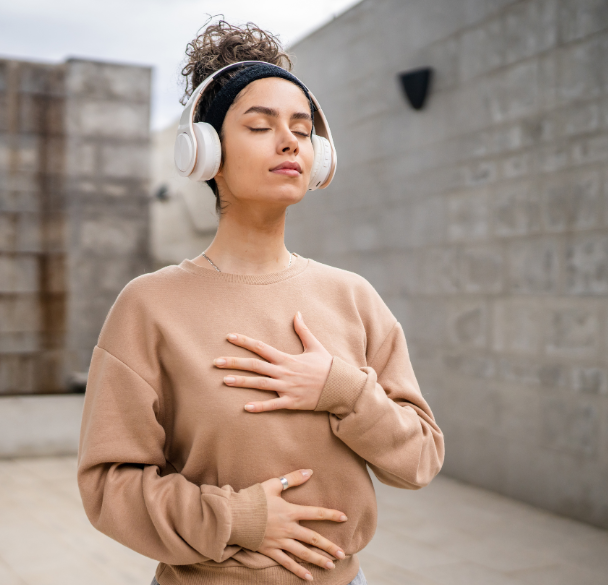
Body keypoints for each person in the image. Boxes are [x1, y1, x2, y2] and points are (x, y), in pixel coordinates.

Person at [77, 20, 444, 585]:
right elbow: (108, 484)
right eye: (260, 125)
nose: (290, 140)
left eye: (302, 128)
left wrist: (342, 391)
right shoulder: (149, 306)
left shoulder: (353, 298)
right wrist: (236, 519)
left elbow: (419, 459)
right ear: (207, 152)